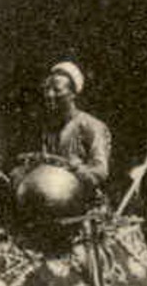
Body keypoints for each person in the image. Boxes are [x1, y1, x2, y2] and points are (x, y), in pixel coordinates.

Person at [38, 60, 111, 194]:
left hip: (85, 207)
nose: (49, 94)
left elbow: (100, 172)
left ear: (73, 94)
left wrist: (76, 168)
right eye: (47, 89)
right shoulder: (49, 128)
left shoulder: (92, 126)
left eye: (57, 90)